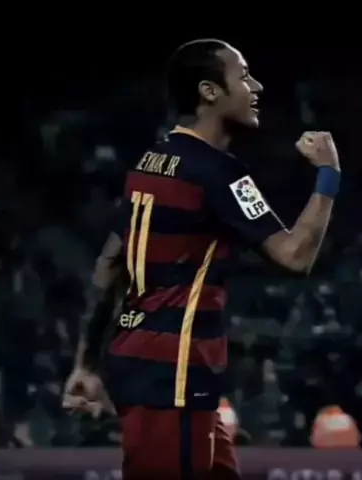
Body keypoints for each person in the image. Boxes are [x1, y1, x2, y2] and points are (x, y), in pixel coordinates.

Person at [62, 39, 340, 480]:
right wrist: (328, 174)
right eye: (243, 76)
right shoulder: (220, 173)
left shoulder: (150, 163)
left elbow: (108, 265)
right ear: (209, 91)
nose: (256, 86)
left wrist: (87, 362)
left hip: (147, 363)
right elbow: (294, 257)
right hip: (173, 375)